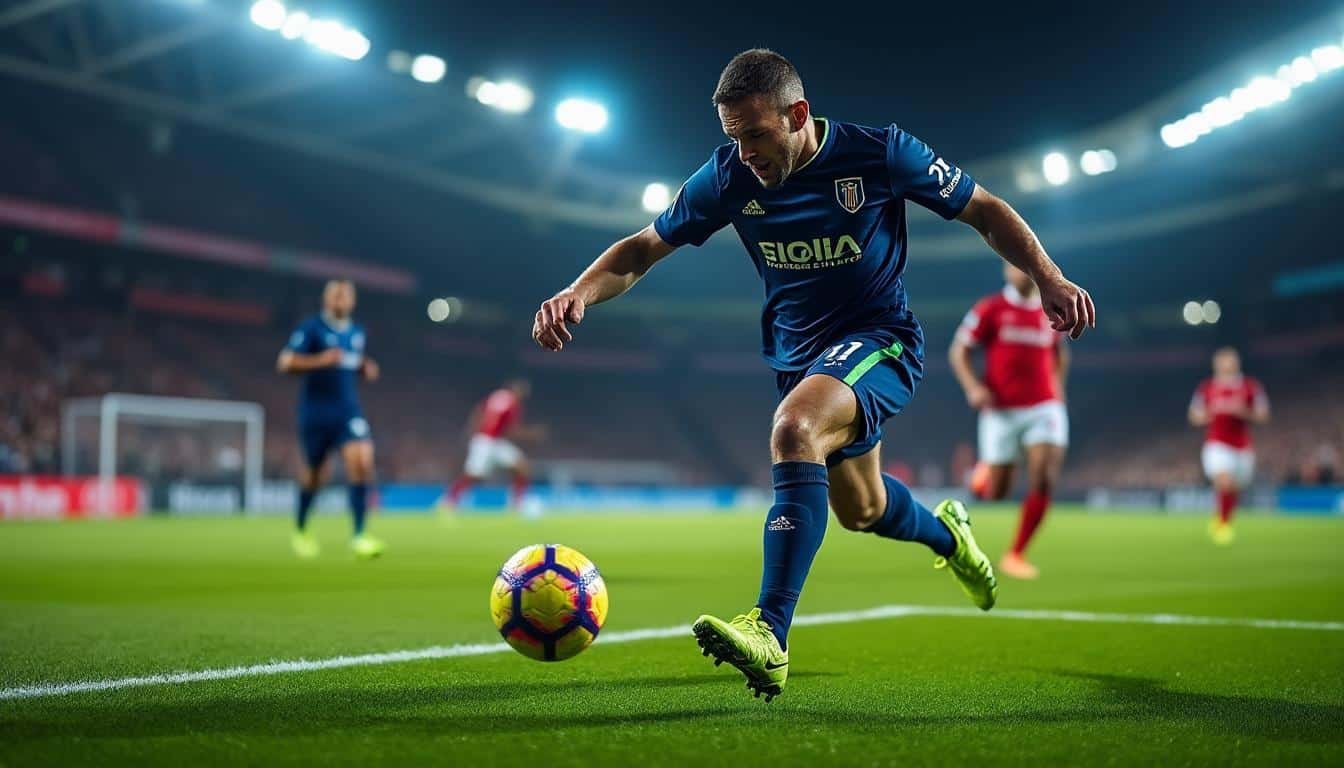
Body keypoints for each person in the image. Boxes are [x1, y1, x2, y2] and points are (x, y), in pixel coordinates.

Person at [531, 49, 1094, 701]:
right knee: (864, 509)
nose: (744, 154)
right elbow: (642, 249)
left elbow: (986, 210)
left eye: (755, 135)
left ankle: (770, 633)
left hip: (880, 341)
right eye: (733, 138)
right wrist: (578, 291)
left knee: (794, 428)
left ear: (798, 114)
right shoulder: (728, 178)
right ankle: (950, 535)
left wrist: (1049, 278)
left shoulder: (881, 154)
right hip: (800, 360)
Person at [950, 263, 1070, 579]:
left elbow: (1060, 354)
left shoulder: (1050, 311)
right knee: (998, 493)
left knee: (1044, 477)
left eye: (1026, 266)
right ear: (1005, 271)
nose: (1021, 270)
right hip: (1000, 411)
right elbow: (959, 350)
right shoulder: (990, 308)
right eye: (1014, 265)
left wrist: (1057, 389)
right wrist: (973, 387)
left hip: (1044, 407)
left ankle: (1016, 554)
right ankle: (983, 472)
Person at [276, 279, 384, 559]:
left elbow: (350, 362)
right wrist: (320, 360)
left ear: (352, 301)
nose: (339, 300)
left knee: (362, 459)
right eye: (334, 295)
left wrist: (364, 367)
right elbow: (286, 362)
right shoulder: (311, 328)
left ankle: (360, 535)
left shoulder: (357, 332)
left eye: (344, 296)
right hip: (315, 413)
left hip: (347, 410)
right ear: (326, 300)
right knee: (315, 475)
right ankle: (301, 529)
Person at [1188, 347, 1269, 545]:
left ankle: (1222, 518)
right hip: (1216, 443)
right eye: (1222, 361)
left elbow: (1263, 415)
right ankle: (1223, 526)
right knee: (1224, 481)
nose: (1226, 364)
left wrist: (1243, 412)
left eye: (1230, 360)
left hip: (1242, 446)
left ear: (1237, 363)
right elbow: (1194, 415)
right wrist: (1208, 414)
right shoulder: (1206, 387)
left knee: (1234, 488)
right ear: (1216, 364)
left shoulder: (1250, 386)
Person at [443, 380, 537, 512]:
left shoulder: (497, 396)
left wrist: (472, 430)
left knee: (521, 467)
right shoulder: (512, 404)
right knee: (474, 475)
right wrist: (531, 434)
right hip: (487, 442)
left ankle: (517, 504)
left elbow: (478, 411)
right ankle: (449, 501)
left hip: (490, 440)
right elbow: (511, 430)